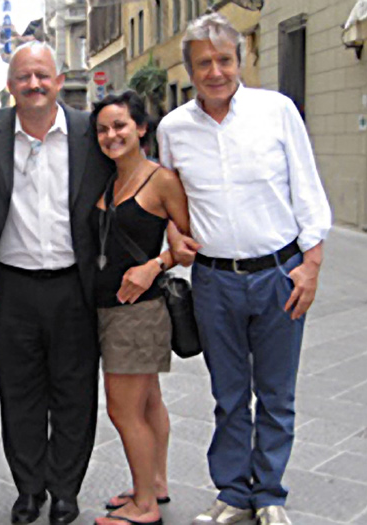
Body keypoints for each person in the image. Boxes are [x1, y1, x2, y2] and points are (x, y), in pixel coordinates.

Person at [156, 14, 331, 525]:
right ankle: (233, 492)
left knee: (277, 393)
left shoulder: (277, 112)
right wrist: (173, 234)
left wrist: (311, 265)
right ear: (189, 69)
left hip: (280, 273)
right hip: (213, 280)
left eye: (225, 60)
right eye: (204, 62)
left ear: (242, 60)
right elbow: (173, 201)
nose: (216, 71)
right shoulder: (173, 128)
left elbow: (308, 188)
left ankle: (271, 493)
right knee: (229, 395)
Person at [0, 41, 113, 524]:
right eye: (23, 77)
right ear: (9, 86)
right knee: (18, 390)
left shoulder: (88, 132)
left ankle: (66, 489)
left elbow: (137, 165)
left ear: (57, 80)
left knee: (75, 392)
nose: (33, 85)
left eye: (42, 76)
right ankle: (29, 488)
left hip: (75, 284)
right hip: (11, 285)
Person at [90, 91, 190, 525]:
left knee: (122, 409)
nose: (112, 135)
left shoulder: (161, 180)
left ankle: (145, 506)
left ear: (141, 128)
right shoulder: (108, 179)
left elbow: (188, 243)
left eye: (120, 126)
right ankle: (155, 484)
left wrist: (154, 265)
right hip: (110, 308)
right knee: (148, 402)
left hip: (138, 311)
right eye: (103, 129)